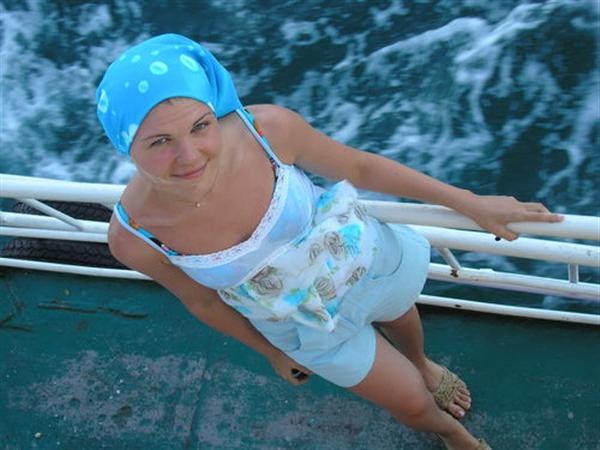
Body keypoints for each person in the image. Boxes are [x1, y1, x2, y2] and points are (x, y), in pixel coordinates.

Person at [97, 34, 562, 450]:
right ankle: (453, 435)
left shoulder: (266, 131)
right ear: (124, 145)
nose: (190, 155)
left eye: (201, 125)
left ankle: (421, 362)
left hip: (362, 261)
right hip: (304, 326)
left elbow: (359, 167)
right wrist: (272, 352)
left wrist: (470, 203)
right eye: (159, 141)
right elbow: (202, 301)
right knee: (410, 403)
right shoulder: (135, 236)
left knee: (402, 317)